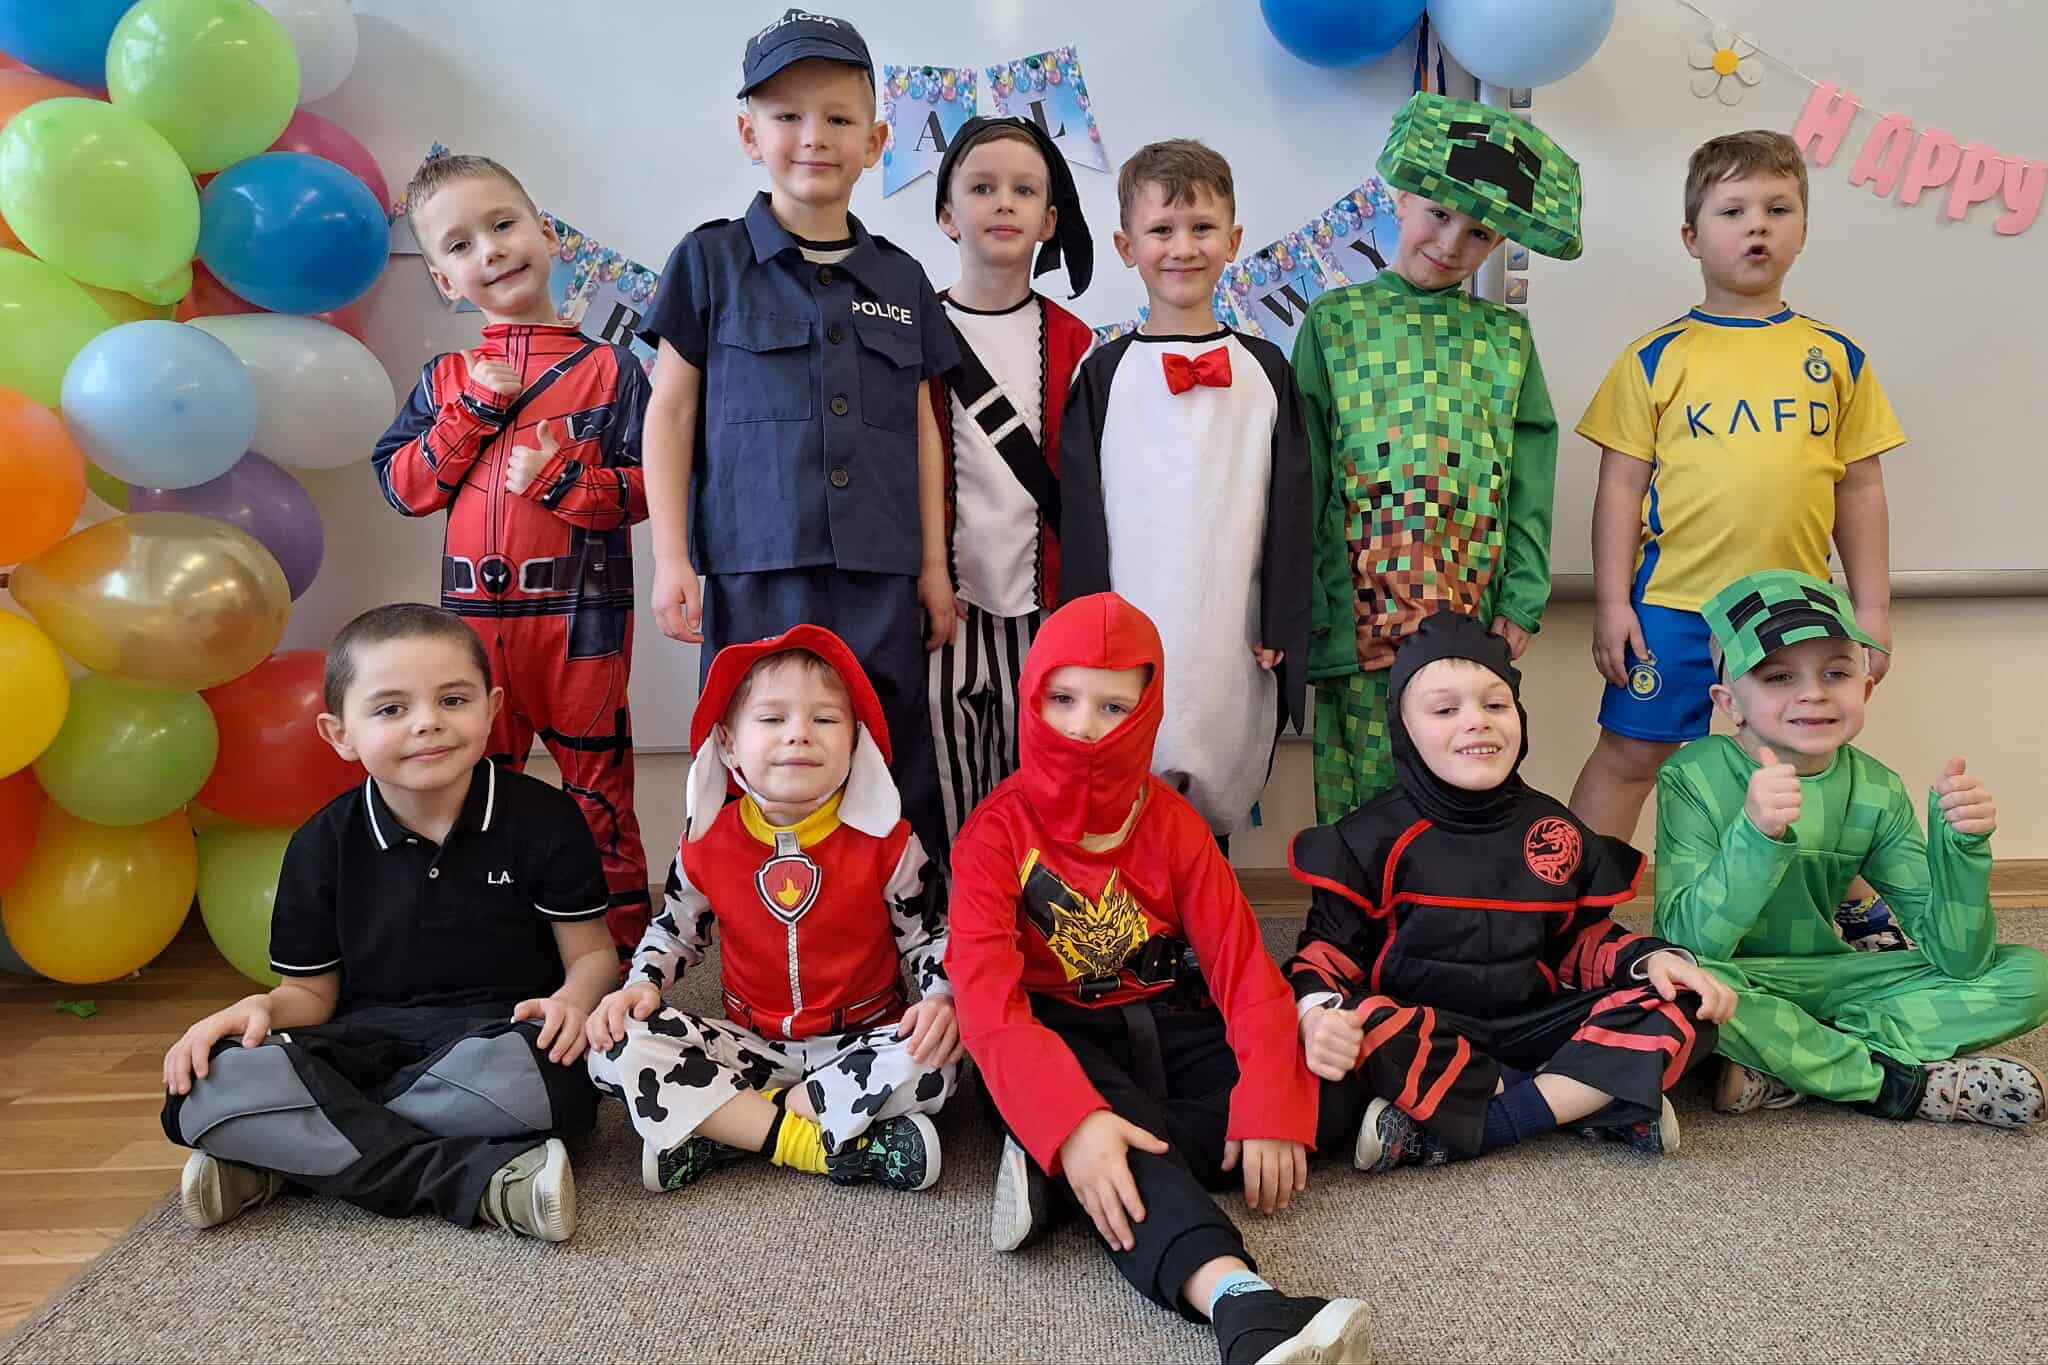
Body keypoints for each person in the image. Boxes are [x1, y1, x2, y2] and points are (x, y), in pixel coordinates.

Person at [947, 593, 1374, 1365]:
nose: (1084, 725)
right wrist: (1071, 1121)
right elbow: (990, 1011)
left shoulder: (1174, 821)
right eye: (1064, 698)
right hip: (1053, 1038)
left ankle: (1059, 1177)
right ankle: (1243, 1302)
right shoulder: (994, 834)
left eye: (1113, 705)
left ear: (1145, 713)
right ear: (1033, 695)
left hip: (1169, 1019)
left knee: (1325, 1082)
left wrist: (1269, 1097)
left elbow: (1244, 972)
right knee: (1108, 1141)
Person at [160, 604, 617, 1240]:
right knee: (206, 1087)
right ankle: (478, 1179)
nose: (427, 723)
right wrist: (256, 1008)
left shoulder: (545, 819)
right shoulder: (321, 843)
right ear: (339, 734)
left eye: (453, 700)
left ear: (492, 709)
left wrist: (571, 1001)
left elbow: (592, 956)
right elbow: (310, 996)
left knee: (553, 1080)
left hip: (494, 1045)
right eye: (391, 709)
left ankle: (286, 1159)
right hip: (360, 1047)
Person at [1568, 130, 1908, 951]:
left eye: (1777, 209)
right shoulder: (1654, 358)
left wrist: (1872, 610)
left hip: (1794, 616)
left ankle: (1847, 898)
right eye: (1733, 210)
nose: (1757, 225)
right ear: (1692, 237)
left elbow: (1860, 490)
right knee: (1630, 755)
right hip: (1675, 607)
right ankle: (1568, 914)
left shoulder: (1837, 357)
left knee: (1803, 761)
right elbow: (1619, 489)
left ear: (1802, 230)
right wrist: (1612, 601)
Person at [636, 9, 958, 862]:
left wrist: (933, 565)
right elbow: (669, 413)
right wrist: (670, 557)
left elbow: (923, 428)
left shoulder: (902, 278)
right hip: (756, 564)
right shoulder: (709, 262)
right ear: (750, 134)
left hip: (881, 568)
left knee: (885, 740)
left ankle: (911, 919)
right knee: (756, 742)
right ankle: (740, 918)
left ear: (876, 141)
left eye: (839, 117)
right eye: (787, 115)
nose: (814, 136)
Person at [1289, 613, 1732, 1171]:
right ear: (1403, 729)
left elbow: (1579, 945)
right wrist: (1317, 1015)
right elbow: (1322, 960)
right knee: (1362, 1024)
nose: (1477, 722)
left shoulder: (1553, 830)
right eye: (1445, 710)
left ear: (1519, 716)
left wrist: (1652, 960)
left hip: (1533, 1025)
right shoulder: (1368, 840)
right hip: (1425, 1030)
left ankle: (1471, 1125)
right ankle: (1587, 1100)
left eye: (1495, 705)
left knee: (1683, 1002)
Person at [373, 153, 652, 951]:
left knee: (598, 793)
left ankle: (620, 959)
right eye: (460, 245)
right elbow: (403, 487)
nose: (490, 251)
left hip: (581, 622)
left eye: (503, 225)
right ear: (443, 278)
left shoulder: (611, 369)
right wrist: (470, 411)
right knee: (469, 792)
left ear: (548, 235)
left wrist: (566, 481)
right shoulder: (445, 378)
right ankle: (487, 949)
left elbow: (656, 489)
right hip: (469, 633)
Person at [1655, 570, 2048, 1125]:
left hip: (1836, 978)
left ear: (1864, 689)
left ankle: (1797, 1060)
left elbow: (1960, 960)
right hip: (1739, 979)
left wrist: (1961, 851)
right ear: (1729, 703)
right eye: (1778, 676)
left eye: (1835, 672)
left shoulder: (1876, 789)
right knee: (1677, 986)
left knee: (2028, 976)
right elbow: (1688, 941)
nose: (1813, 692)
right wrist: (1757, 834)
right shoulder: (1692, 774)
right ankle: (1891, 1081)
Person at [584, 625, 957, 1193]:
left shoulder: (890, 843)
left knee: (937, 1059)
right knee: (612, 1046)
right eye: (772, 718)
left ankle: (728, 1127)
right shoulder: (706, 843)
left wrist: (940, 998)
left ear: (855, 743)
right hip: (749, 1046)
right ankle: (818, 1144)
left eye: (825, 720)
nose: (799, 734)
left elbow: (928, 937)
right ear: (729, 743)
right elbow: (674, 931)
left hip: (862, 1040)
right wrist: (641, 984)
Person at [1293, 91, 1579, 826]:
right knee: (1361, 795)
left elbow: (1530, 478)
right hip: (1358, 608)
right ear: (1401, 195)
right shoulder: (1334, 322)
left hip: (1468, 606)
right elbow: (1307, 471)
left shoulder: (1506, 339)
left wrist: (1521, 597)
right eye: (1439, 214)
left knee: (1462, 783)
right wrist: (1313, 606)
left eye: (1479, 232)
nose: (1452, 243)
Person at [1059, 139, 1310, 846]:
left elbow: (1292, 507)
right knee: (1126, 778)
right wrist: (1086, 631)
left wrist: (1282, 623)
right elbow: (1081, 517)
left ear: (1233, 240)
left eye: (1202, 228)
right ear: (1126, 246)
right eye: (1161, 230)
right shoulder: (1103, 376)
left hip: (1231, 619)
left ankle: (1205, 903)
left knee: (1217, 762)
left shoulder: (1265, 370)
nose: (1183, 247)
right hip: (1130, 618)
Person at [924, 114, 1095, 843]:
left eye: (1024, 190)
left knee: (1044, 785)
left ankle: (1040, 906)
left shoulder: (1078, 344)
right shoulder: (910, 333)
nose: (1003, 202)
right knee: (950, 785)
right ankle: (961, 907)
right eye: (982, 187)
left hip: (1043, 607)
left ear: (1049, 221)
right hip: (943, 607)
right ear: (947, 215)